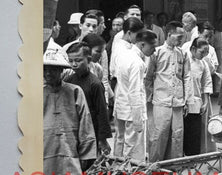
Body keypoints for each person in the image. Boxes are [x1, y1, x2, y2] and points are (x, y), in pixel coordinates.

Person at [43, 49, 97, 175]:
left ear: (61, 71)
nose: (49, 74)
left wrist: (87, 153)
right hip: (46, 153)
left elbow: (85, 123)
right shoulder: (36, 94)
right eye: (45, 70)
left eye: (53, 70)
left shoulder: (74, 91)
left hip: (70, 151)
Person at [145, 22, 190, 161]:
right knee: (159, 134)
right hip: (161, 100)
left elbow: (186, 77)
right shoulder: (156, 52)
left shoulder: (183, 53)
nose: (181, 39)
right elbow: (148, 77)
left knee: (177, 135)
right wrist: (150, 97)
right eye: (179, 36)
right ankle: (155, 166)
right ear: (169, 35)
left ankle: (173, 166)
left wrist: (187, 99)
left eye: (183, 36)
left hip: (177, 100)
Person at [114, 28, 157, 161]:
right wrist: (138, 119)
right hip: (133, 110)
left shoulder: (123, 55)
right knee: (134, 147)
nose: (154, 50)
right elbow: (135, 92)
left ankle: (117, 172)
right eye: (153, 46)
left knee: (120, 141)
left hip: (121, 106)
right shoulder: (137, 62)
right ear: (142, 44)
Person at [65, 42, 112, 155]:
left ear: (89, 59)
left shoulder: (95, 84)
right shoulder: (68, 81)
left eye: (78, 60)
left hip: (91, 129)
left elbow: (101, 112)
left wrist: (103, 139)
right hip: (73, 128)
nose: (74, 64)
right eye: (71, 61)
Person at [183, 38, 213, 155]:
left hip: (196, 102)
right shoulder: (184, 59)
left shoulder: (203, 63)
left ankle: (193, 156)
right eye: (202, 52)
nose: (204, 55)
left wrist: (205, 102)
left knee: (195, 132)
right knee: (182, 132)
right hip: (182, 102)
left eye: (206, 53)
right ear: (194, 49)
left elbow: (206, 83)